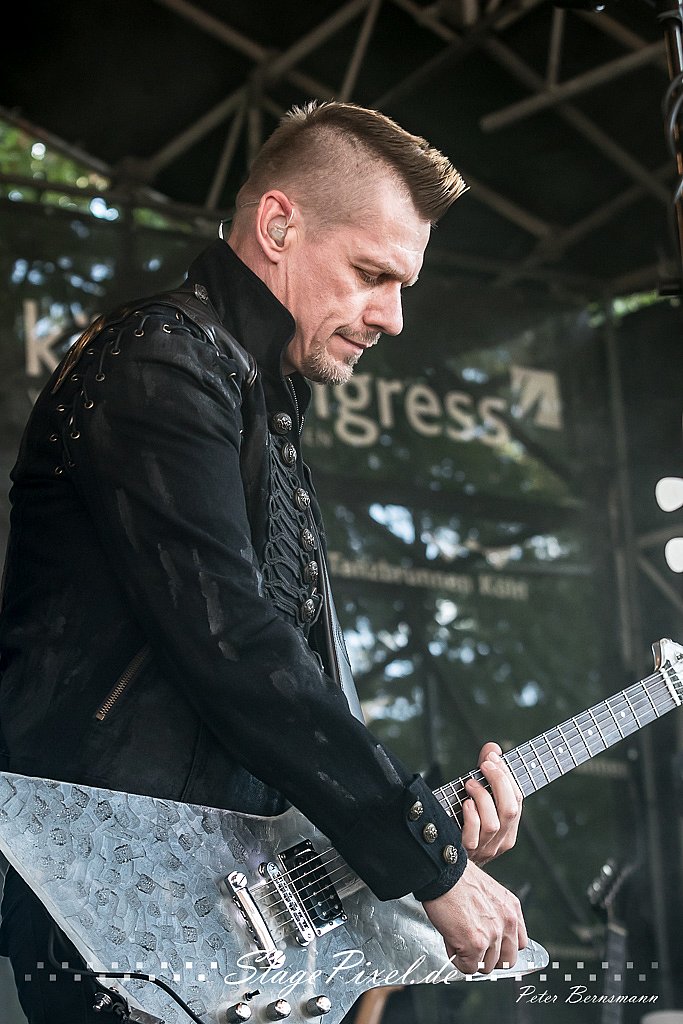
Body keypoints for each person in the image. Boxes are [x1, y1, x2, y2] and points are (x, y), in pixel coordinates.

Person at [0, 100, 526, 1022]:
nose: (393, 317)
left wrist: (429, 821)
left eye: (402, 285)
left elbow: (280, 697)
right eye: (371, 274)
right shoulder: (162, 361)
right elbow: (233, 646)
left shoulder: (256, 393)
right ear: (278, 225)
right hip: (117, 909)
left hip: (205, 916)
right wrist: (426, 856)